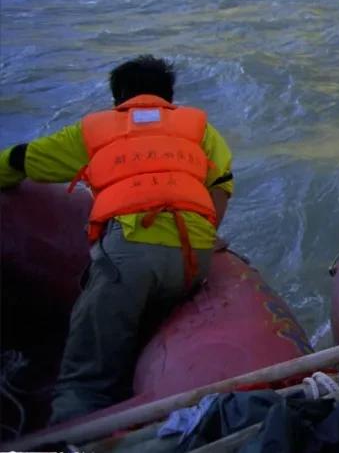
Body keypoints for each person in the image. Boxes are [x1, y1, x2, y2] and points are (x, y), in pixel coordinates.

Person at [0, 55, 234, 425]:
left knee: (84, 377)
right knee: (142, 301)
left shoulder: (95, 129)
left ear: (118, 98)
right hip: (194, 260)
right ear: (169, 97)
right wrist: (209, 235)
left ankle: (72, 433)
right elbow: (220, 185)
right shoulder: (200, 129)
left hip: (130, 258)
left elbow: (24, 160)